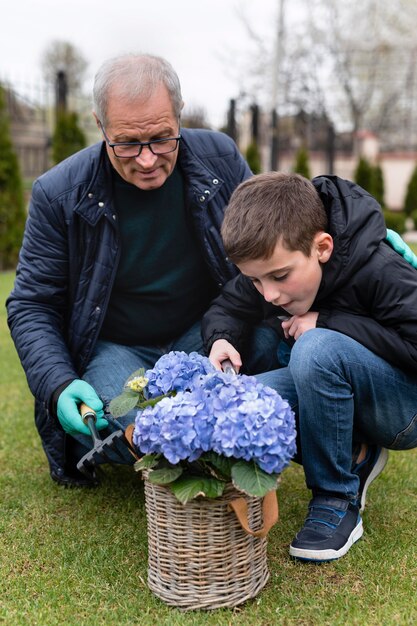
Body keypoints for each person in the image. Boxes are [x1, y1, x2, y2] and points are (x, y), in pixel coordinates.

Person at [6, 53, 279, 488]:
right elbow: (31, 305)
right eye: (128, 143)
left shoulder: (221, 159)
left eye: (161, 138)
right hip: (117, 350)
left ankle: (200, 446)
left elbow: (276, 228)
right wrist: (58, 385)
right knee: (117, 413)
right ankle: (198, 445)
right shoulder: (57, 194)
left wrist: (362, 234)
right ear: (100, 126)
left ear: (179, 114)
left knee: (277, 348)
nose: (148, 159)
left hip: (206, 332)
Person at [202, 172, 417, 562]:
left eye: (280, 276)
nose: (269, 293)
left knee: (315, 348)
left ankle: (337, 498)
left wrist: (328, 320)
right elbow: (228, 307)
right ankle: (356, 454)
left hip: (404, 407)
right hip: (341, 383)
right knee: (246, 398)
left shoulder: (380, 269)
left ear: (322, 247)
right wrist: (221, 339)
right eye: (255, 280)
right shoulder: (274, 263)